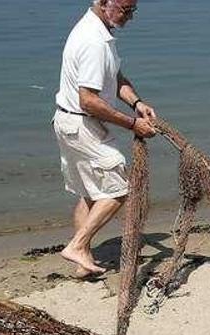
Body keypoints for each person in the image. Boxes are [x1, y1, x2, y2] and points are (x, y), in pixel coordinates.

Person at [54, 0, 158, 278]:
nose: (130, 17)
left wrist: (136, 103)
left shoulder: (98, 30)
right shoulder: (93, 42)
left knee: (90, 194)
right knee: (118, 189)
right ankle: (77, 246)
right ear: (103, 2)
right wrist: (133, 124)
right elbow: (88, 100)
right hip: (82, 124)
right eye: (126, 10)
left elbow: (114, 75)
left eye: (133, 10)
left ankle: (82, 263)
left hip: (69, 122)